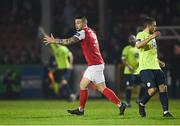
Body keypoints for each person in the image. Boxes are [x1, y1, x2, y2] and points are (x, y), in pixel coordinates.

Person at [43, 15, 127, 116]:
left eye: (78, 23)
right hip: (97, 63)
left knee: (96, 87)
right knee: (92, 86)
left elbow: (69, 41)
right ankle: (119, 105)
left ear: (84, 23)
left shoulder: (83, 32)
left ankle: (83, 109)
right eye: (75, 23)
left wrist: (55, 41)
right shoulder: (91, 31)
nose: (76, 25)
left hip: (95, 65)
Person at [135, 17, 173, 117]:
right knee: (153, 89)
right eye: (154, 25)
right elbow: (138, 46)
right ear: (149, 25)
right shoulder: (141, 34)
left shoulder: (152, 37)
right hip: (145, 68)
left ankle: (166, 112)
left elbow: (151, 53)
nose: (156, 27)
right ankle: (141, 103)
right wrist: (151, 37)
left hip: (156, 67)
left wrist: (159, 61)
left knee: (163, 88)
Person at [121, 34, 145, 107]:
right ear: (129, 41)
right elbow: (123, 59)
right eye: (130, 39)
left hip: (138, 71)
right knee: (129, 87)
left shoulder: (139, 48)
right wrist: (128, 66)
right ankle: (128, 102)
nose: (132, 40)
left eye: (133, 39)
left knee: (143, 85)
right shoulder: (126, 48)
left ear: (136, 40)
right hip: (129, 72)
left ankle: (139, 100)